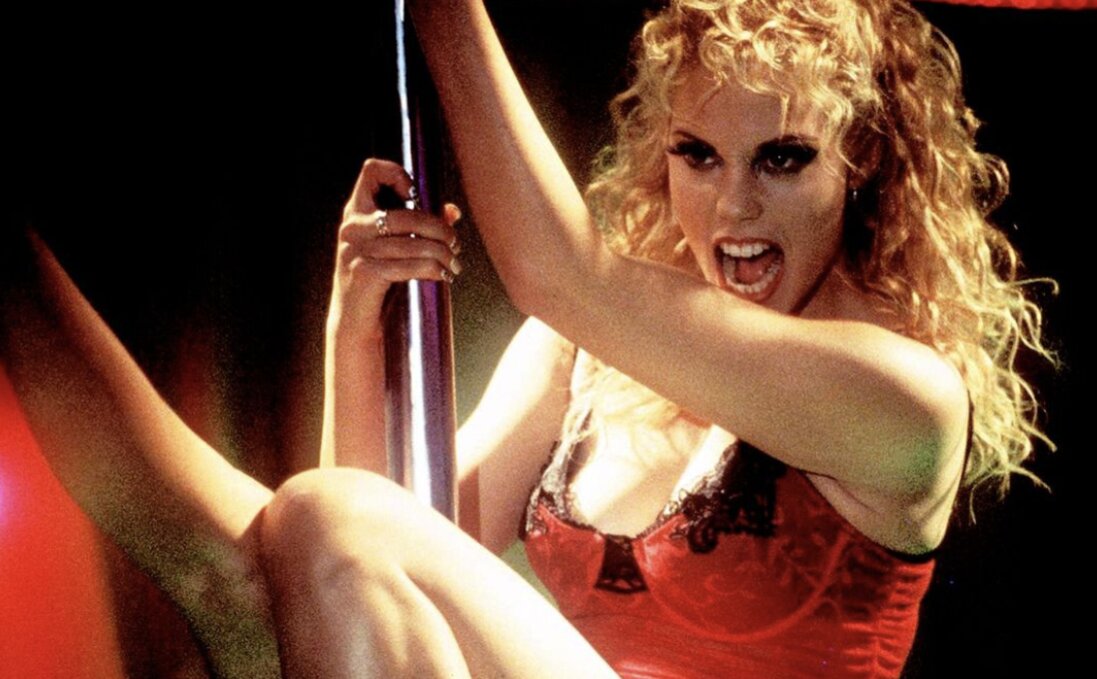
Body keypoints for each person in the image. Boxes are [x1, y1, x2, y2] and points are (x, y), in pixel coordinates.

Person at [0, 0, 1052, 677]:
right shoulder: (582, 360)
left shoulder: (906, 400)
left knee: (318, 523)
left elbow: (560, 272)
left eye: (780, 158)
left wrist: (445, 13)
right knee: (237, 566)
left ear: (859, 164)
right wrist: (351, 327)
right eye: (696, 154)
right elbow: (364, 564)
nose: (732, 208)